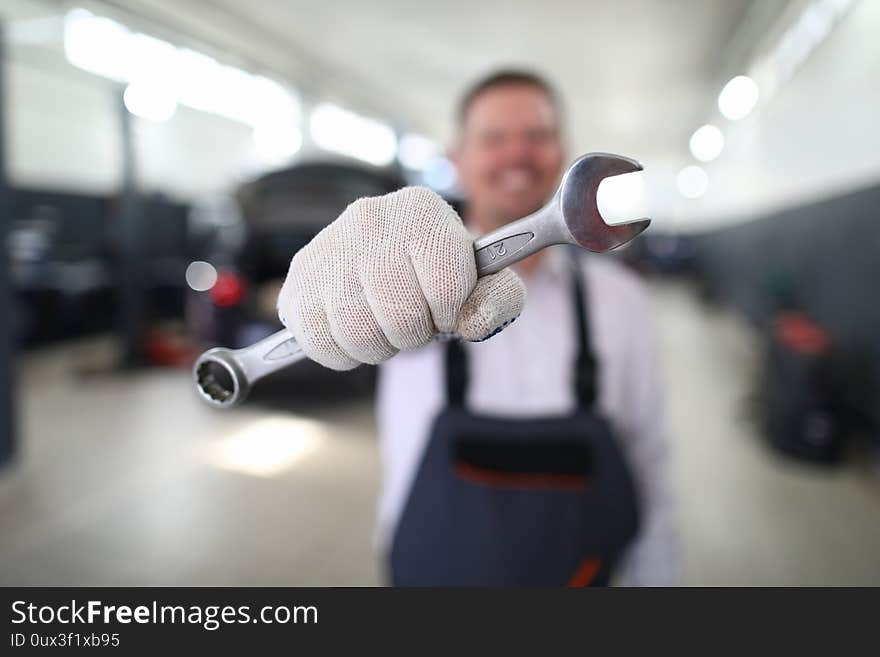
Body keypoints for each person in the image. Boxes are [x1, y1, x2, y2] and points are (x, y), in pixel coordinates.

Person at [278, 70, 677, 586]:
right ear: (458, 159)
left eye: (537, 136)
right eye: (493, 138)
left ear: (564, 153)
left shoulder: (622, 302)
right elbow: (356, 314)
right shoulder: (409, 281)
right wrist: (333, 279)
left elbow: (650, 460)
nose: (518, 154)